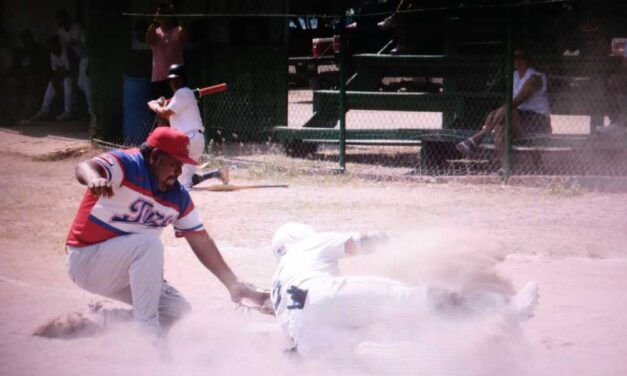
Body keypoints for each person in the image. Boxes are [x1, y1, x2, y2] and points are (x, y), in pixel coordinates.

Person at [65, 127, 268, 338]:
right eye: (174, 163)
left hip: (125, 272)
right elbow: (86, 166)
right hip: (87, 261)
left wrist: (233, 284)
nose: (179, 171)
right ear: (154, 156)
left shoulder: (177, 197)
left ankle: (101, 319)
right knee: (148, 245)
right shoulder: (127, 165)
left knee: (179, 314)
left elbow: (201, 241)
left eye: (182, 164)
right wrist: (94, 179)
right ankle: (147, 338)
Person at [269, 222, 539, 357]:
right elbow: (359, 243)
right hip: (322, 295)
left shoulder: (276, 285)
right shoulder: (308, 244)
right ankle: (504, 309)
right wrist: (402, 243)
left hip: (306, 340)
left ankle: (445, 358)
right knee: (415, 300)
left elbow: (292, 334)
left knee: (373, 354)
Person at [456, 49, 551, 172]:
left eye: (521, 57)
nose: (517, 60)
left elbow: (518, 101)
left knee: (508, 111)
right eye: (514, 57)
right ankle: (506, 168)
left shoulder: (535, 77)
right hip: (517, 118)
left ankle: (479, 136)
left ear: (528, 59)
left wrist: (499, 111)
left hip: (537, 120)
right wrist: (497, 113)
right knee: (501, 127)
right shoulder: (514, 76)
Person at [147, 64, 228, 189]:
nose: (174, 82)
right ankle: (217, 173)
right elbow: (169, 116)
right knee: (183, 179)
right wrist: (162, 106)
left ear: (183, 79)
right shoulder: (182, 96)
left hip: (188, 140)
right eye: (172, 80)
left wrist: (154, 105)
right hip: (192, 140)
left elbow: (165, 113)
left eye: (177, 79)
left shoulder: (182, 93)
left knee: (179, 182)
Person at [54, 8, 92, 119]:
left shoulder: (76, 28)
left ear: (67, 19)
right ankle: (90, 107)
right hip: (81, 58)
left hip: (89, 56)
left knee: (85, 82)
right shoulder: (61, 32)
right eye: (59, 22)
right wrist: (71, 68)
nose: (61, 23)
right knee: (81, 83)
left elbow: (88, 45)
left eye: (63, 20)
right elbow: (67, 50)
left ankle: (91, 110)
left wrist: (90, 63)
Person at [145, 1, 187, 100]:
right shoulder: (155, 31)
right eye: (162, 13)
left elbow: (185, 33)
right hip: (158, 80)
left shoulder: (178, 30)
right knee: (159, 111)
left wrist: (174, 14)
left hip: (176, 79)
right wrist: (156, 19)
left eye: (166, 13)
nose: (164, 17)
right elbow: (148, 38)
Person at [29, 35, 73, 121]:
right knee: (51, 82)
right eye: (49, 46)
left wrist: (60, 77)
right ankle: (44, 110)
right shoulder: (53, 54)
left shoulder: (66, 51)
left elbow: (69, 71)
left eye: (52, 45)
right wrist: (56, 85)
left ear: (58, 44)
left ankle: (68, 112)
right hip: (62, 77)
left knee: (67, 82)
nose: (50, 48)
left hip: (73, 76)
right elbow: (55, 72)